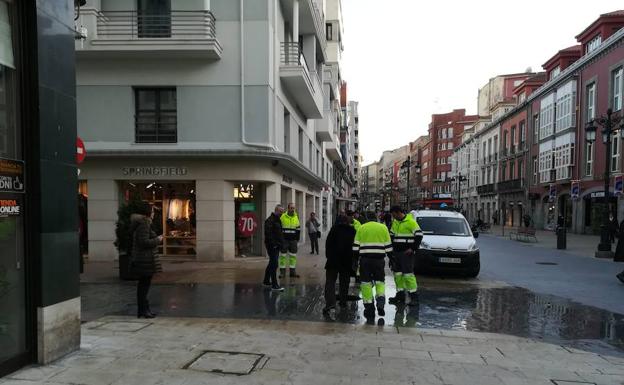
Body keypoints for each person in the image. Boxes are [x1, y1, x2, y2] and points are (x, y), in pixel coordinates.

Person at [352, 211, 393, 318]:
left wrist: (355, 261)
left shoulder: (362, 228)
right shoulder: (383, 228)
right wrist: (392, 259)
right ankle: (380, 302)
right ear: (376, 218)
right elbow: (388, 247)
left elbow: (355, 247)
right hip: (379, 261)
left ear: (366, 217)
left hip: (365, 260)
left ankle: (369, 307)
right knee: (380, 281)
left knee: (365, 283)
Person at [129, 202, 163, 319]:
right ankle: (143, 310)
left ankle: (144, 309)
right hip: (145, 259)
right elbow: (143, 242)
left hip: (143, 259)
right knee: (144, 285)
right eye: (152, 211)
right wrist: (157, 240)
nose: (154, 214)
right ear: (148, 213)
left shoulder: (143, 223)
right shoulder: (144, 223)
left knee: (143, 285)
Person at [388, 206, 423, 306]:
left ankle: (414, 297)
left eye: (394, 215)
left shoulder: (411, 222)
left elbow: (419, 235)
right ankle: (400, 295)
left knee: (408, 275)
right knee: (397, 275)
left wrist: (412, 249)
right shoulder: (395, 222)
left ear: (399, 212)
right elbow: (391, 236)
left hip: (406, 253)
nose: (393, 217)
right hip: (397, 253)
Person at [323, 215, 356, 316]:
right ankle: (343, 302)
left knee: (330, 282)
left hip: (333, 260)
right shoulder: (352, 231)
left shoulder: (334, 229)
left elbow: (328, 243)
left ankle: (330, 304)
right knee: (344, 282)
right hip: (346, 261)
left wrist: (328, 256)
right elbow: (355, 246)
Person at [263, 204, 285, 291]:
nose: (282, 213)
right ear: (276, 210)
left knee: (271, 263)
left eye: (283, 212)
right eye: (280, 211)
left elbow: (279, 233)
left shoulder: (277, 220)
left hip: (276, 245)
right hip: (272, 246)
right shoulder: (270, 220)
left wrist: (281, 243)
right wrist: (274, 244)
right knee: (274, 264)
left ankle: (266, 281)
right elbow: (268, 234)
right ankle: (274, 284)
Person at [280, 203, 301, 278]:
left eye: (293, 208)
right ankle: (282, 273)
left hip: (293, 241)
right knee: (282, 256)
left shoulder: (296, 217)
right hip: (284, 240)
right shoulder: (282, 216)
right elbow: (279, 229)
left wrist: (297, 239)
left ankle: (293, 272)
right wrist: (281, 239)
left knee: (293, 256)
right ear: (288, 208)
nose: (292, 209)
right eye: (291, 208)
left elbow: (298, 228)